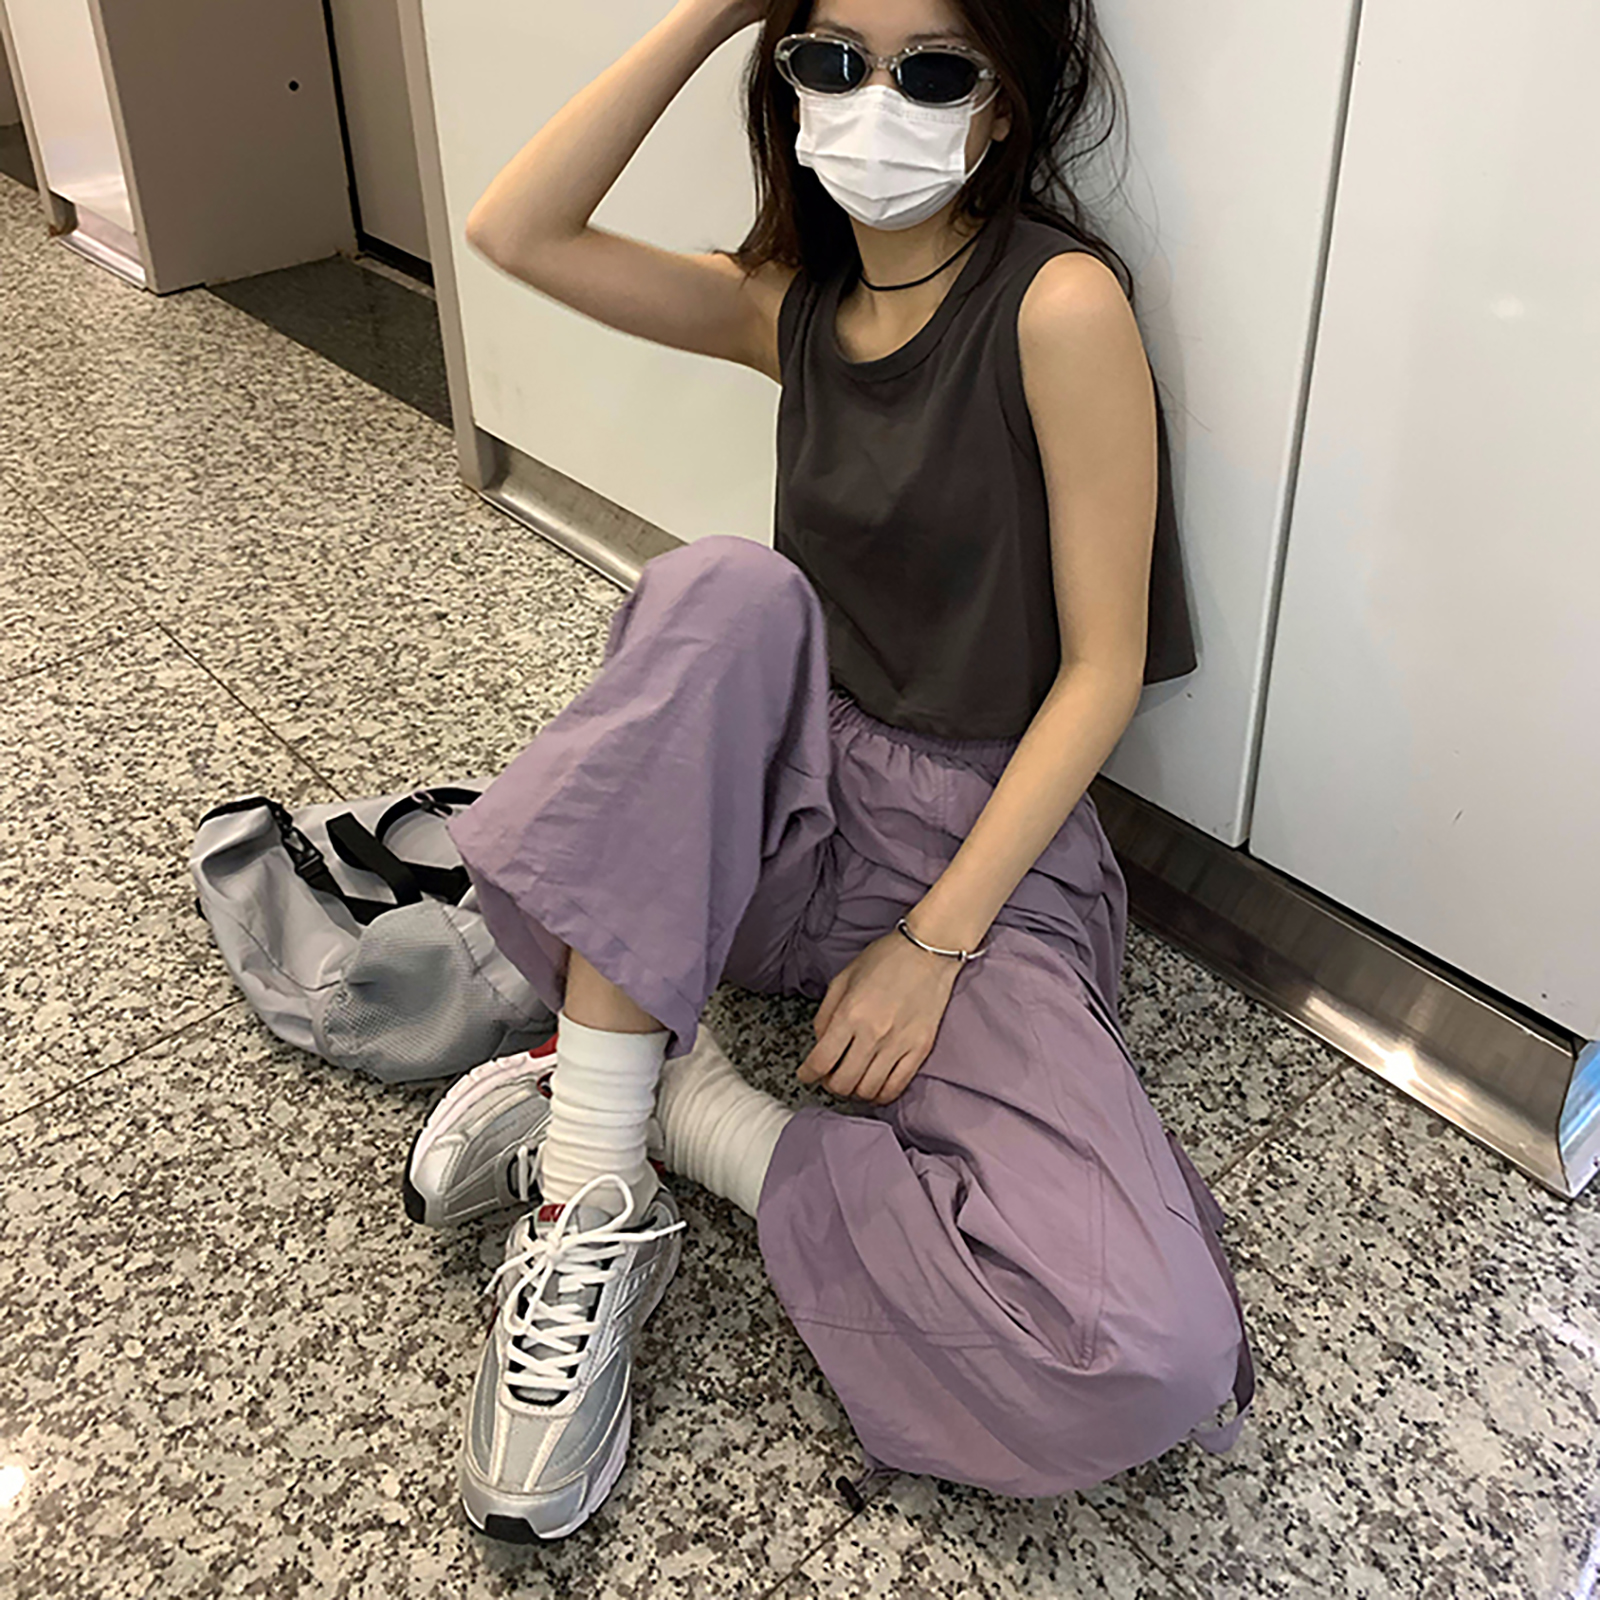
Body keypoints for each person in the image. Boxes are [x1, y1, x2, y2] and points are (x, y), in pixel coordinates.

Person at [404, 0, 1254, 1543]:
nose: (877, 100)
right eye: (831, 59)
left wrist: (933, 944)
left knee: (1143, 1347)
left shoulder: (1057, 306)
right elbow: (515, 230)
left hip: (980, 844)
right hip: (790, 807)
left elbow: (1101, 670)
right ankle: (588, 1187)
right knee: (727, 593)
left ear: (1002, 105)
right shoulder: (786, 307)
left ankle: (679, 1110)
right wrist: (719, 10)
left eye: (933, 68)